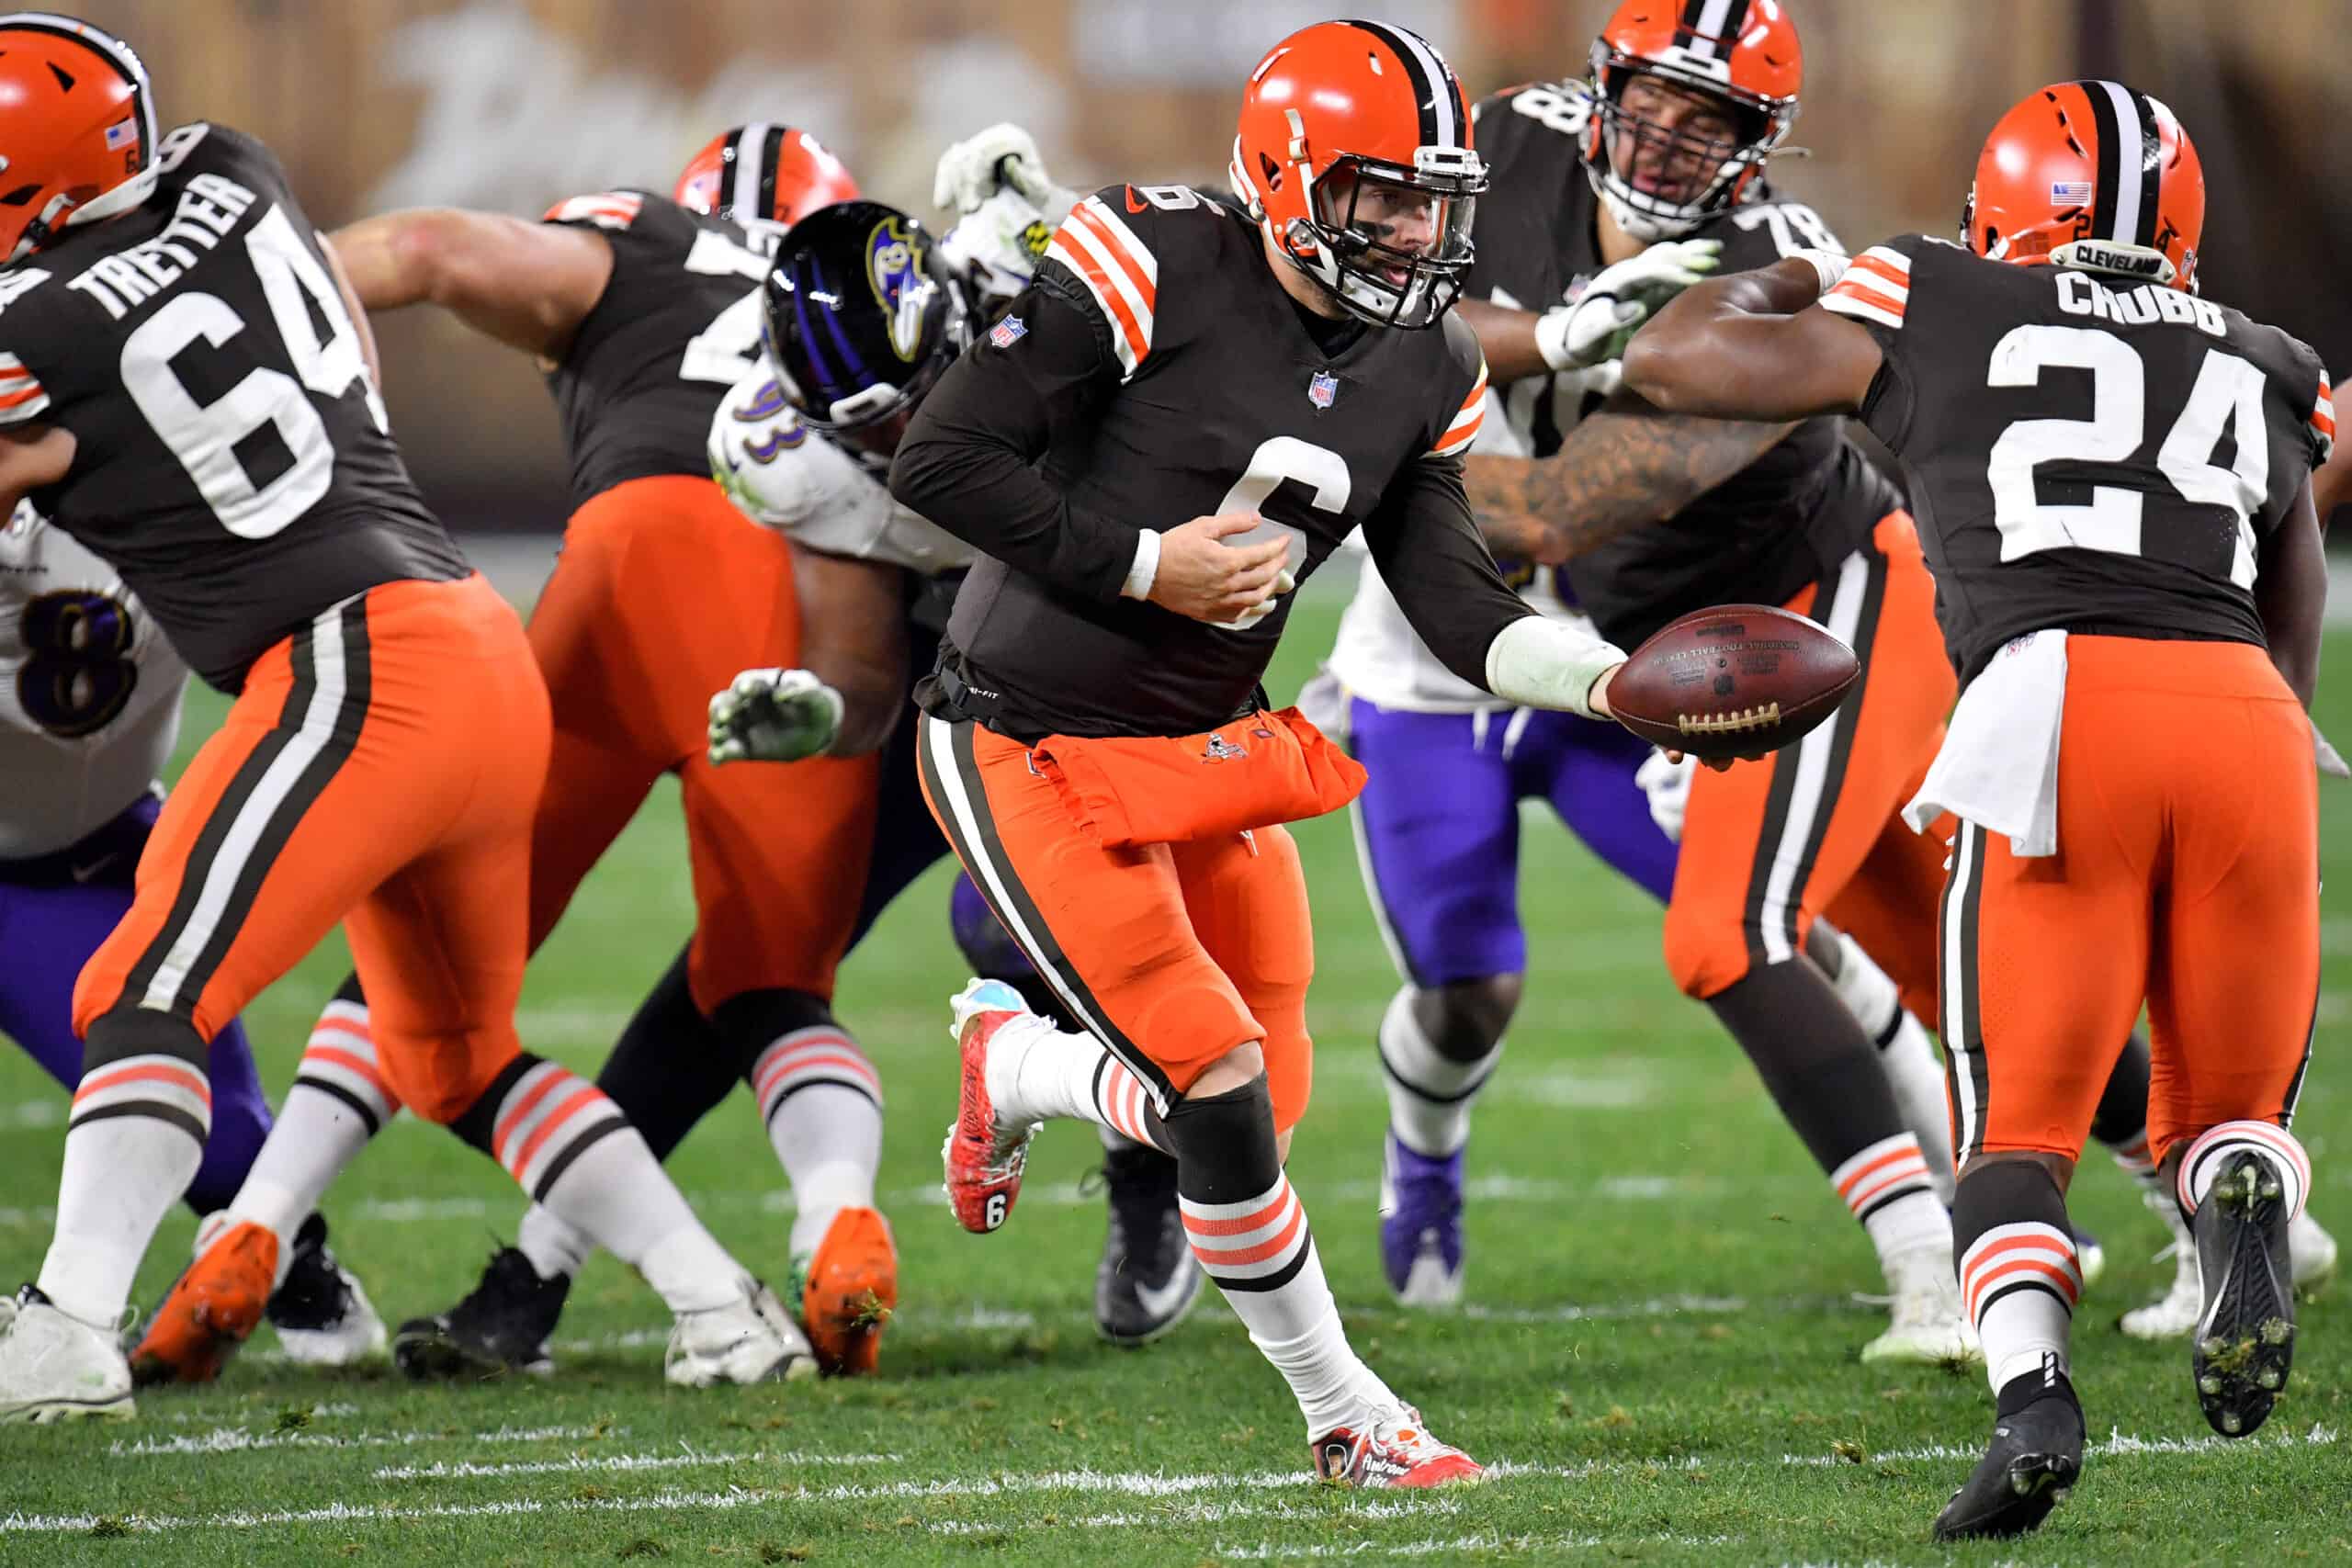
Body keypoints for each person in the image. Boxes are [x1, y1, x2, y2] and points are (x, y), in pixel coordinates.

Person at [729, 19, 1690, 1485]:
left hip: (1209, 746)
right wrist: (1140, 562)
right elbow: (943, 460)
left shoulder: (1423, 354)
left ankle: (1020, 1062)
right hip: (1022, 729)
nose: (1420, 229)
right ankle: (1351, 1413)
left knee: (1250, 1118)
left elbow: (1455, 604)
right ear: (1286, 173)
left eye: (1435, 197)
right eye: (1383, 194)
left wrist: (1614, 686)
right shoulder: (1147, 257)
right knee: (1215, 1075)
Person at [0, 17, 804, 1420]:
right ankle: (720, 1305)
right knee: (454, 1055)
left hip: (354, 666)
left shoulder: (40, 329)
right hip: (468, 639)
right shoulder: (228, 172)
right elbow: (332, 301)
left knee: (146, 983)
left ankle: (67, 1320)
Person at [1623, 78, 2330, 1540]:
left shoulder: (1937, 294)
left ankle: (2033, 1396)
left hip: (2054, 704)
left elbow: (1678, 359)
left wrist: (1793, 265)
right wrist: (2264, 719)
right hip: (2249, 713)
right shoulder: (2261, 354)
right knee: (2228, 1109)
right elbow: (2296, 573)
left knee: (2015, 1119)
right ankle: (2243, 1191)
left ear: (2005, 208)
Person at [127, 126, 907, 1384]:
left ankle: (254, 1225)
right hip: (812, 620)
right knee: (773, 988)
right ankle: (838, 1216)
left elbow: (429, 248)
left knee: (431, 958)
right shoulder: (863, 302)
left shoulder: (645, 242)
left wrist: (241, 301)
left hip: (625, 574)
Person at [1329, 0, 1970, 1360]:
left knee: (1778, 934)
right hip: (1440, 657)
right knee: (1463, 988)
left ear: (1761, 143)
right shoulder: (1500, 150)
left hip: (1665, 653)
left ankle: (1970, 1227)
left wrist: (1335, 463)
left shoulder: (1776, 271)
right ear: (1601, 83)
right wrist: (1554, 337)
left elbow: (1560, 509)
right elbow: (1363, 312)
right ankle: (1425, 1157)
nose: (1671, 138)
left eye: (1714, 117)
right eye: (1654, 101)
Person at [708, 146, 1206, 1348]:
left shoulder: (1041, 310)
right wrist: (824, 711)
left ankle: (1151, 1176)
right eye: (867, 427)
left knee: (1022, 922)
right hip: (945, 658)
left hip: (1093, 619)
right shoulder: (784, 450)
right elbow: (868, 663)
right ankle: (564, 1251)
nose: (899, 446)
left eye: (914, 406)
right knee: (755, 946)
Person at [0, 501, 381, 1367]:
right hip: (76, 840)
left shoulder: (160, 476)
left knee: (218, 1145)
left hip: (81, 862)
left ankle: (289, 1261)